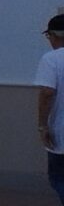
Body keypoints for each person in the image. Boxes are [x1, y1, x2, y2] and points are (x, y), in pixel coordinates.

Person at [35, 14, 64, 202]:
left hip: (61, 132)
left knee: (58, 178)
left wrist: (42, 125)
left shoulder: (51, 59)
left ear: (54, 35)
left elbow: (47, 93)